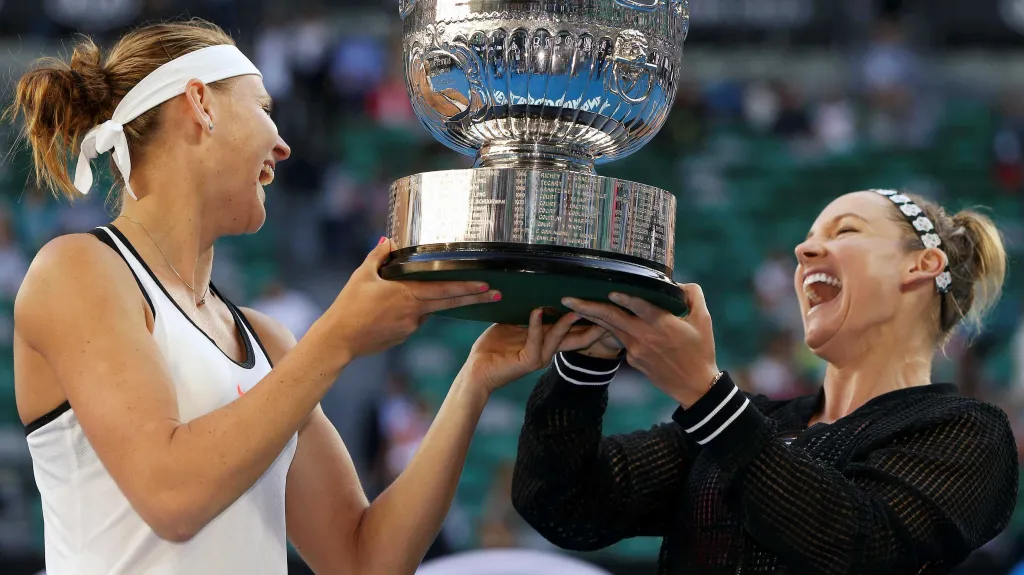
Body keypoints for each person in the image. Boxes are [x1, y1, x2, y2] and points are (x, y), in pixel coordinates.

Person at [6, 20, 601, 575]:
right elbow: (172, 497)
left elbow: (364, 558)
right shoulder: (78, 269)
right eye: (264, 109)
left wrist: (474, 380)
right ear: (200, 104)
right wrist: (339, 337)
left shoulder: (264, 339)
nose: (283, 144)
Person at [511, 189, 1019, 574]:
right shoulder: (753, 424)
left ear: (922, 265)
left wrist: (706, 396)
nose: (804, 250)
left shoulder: (969, 432)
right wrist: (586, 364)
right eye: (809, 237)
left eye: (844, 232)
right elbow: (565, 506)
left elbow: (858, 547)